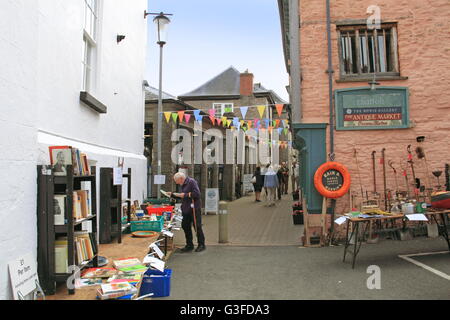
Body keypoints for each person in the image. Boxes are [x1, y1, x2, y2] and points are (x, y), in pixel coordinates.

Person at [168, 172, 206, 253]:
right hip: (186, 208)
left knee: (197, 226)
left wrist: (185, 195)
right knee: (185, 226)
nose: (176, 182)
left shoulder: (191, 182)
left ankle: (201, 244)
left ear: (181, 178)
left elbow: (197, 194)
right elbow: (182, 195)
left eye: (176, 180)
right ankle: (189, 245)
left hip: (194, 209)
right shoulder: (183, 184)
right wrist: (172, 195)